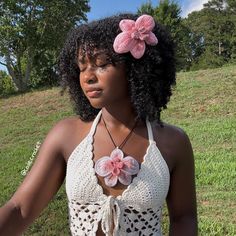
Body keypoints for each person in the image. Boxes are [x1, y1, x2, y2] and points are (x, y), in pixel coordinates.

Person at [0, 13, 197, 236]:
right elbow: (19, 209)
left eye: (101, 64)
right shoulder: (65, 135)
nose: (87, 77)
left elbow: (184, 218)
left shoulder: (173, 142)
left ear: (135, 67)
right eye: (82, 67)